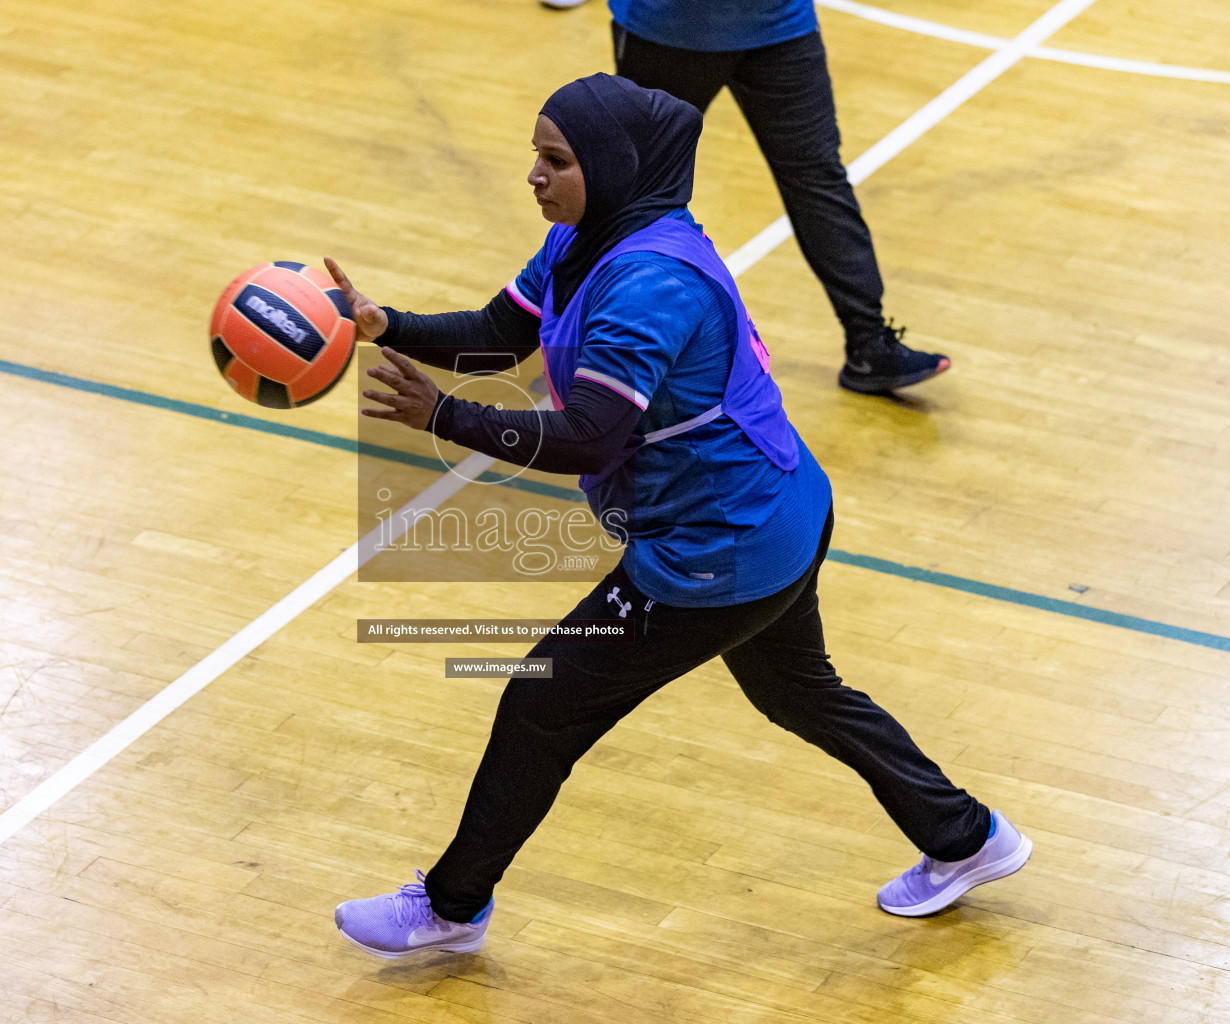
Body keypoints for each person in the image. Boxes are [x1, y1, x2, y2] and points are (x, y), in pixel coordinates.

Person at [324, 74, 1028, 959]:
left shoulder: (651, 283)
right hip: (783, 507)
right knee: (798, 692)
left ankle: (453, 906)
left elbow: (587, 435)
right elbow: (504, 331)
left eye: (556, 161)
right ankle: (968, 836)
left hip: (718, 551)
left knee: (544, 704)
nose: (534, 177)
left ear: (613, 168)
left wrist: (444, 417)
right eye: (536, 156)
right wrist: (387, 323)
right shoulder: (590, 239)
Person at [606, 0, 948, 394]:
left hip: (781, 30)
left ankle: (868, 342)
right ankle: (604, 342)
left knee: (817, 179)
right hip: (669, 34)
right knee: (639, 188)